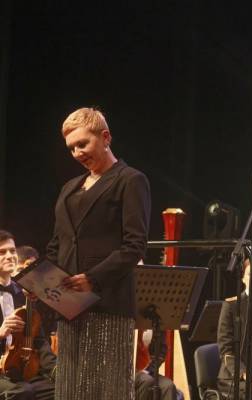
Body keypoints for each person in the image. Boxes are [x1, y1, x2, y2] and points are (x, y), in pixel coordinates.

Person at [46, 107, 151, 399]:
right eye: (71, 148)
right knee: (70, 389)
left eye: (83, 144)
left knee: (106, 390)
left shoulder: (130, 180)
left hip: (109, 305)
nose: (77, 153)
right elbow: (57, 244)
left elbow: (134, 245)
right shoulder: (69, 188)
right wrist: (40, 282)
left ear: (105, 137)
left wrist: (93, 278)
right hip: (69, 307)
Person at [0, 230, 55, 400]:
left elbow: (38, 339)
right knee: (22, 393)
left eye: (12, 250)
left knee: (62, 388)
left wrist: (56, 369)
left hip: (20, 369)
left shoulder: (24, 295)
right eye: (2, 252)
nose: (10, 256)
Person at [217, 259, 252, 399]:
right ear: (242, 278)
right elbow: (226, 349)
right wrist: (245, 373)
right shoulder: (231, 305)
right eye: (249, 274)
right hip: (234, 376)